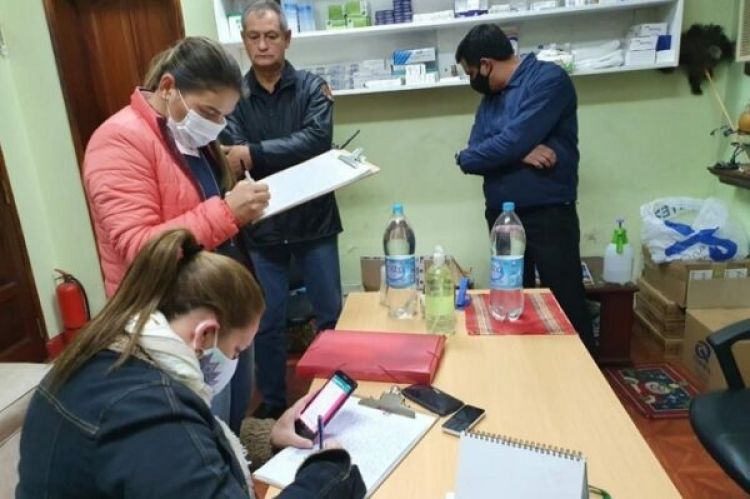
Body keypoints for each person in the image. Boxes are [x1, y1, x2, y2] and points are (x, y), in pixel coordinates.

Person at [16, 229, 366, 499]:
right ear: (205, 336)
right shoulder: (151, 412)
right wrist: (327, 475)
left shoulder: (101, 358)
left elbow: (181, 454)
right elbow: (173, 444)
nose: (236, 361)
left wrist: (269, 436)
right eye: (237, 350)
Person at [83, 37, 269, 433]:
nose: (216, 125)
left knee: (230, 422)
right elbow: (140, 247)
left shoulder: (191, 138)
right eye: (208, 112)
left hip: (218, 307)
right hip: (170, 320)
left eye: (224, 116)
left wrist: (240, 212)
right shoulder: (118, 140)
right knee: (200, 431)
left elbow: (202, 213)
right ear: (168, 87)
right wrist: (227, 212)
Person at [221, 0, 343, 419]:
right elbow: (232, 155)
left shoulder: (311, 87)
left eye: (271, 36)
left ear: (287, 39)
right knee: (267, 322)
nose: (262, 45)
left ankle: (333, 399)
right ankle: (272, 405)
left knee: (330, 316)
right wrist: (260, 154)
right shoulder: (234, 97)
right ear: (243, 41)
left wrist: (255, 153)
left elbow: (317, 141)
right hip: (263, 225)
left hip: (315, 222)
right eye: (254, 37)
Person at [454, 24, 594, 352]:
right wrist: (520, 150)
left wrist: (509, 146)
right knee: (510, 302)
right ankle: (524, 369)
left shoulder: (548, 80)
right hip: (501, 218)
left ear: (486, 65)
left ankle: (585, 373)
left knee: (565, 301)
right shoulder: (490, 100)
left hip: (547, 214)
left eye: (471, 72)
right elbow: (471, 156)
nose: (472, 80)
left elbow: (508, 142)